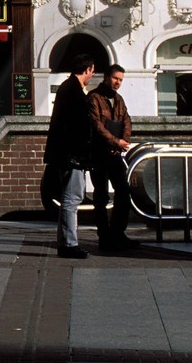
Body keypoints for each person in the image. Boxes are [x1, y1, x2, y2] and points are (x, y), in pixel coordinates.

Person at [43, 55, 98, 259]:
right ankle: (68, 244)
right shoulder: (74, 91)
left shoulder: (68, 88)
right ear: (88, 69)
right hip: (71, 155)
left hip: (66, 154)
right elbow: (77, 128)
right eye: (92, 71)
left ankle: (67, 242)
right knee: (71, 199)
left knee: (70, 198)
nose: (92, 75)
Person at [86, 64, 137, 252]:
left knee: (123, 192)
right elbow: (96, 126)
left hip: (115, 154)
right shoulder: (93, 98)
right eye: (116, 78)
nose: (118, 83)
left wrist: (124, 140)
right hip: (99, 154)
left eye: (121, 80)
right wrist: (117, 142)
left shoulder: (118, 99)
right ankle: (104, 236)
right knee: (100, 196)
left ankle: (118, 233)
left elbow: (126, 120)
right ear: (106, 77)